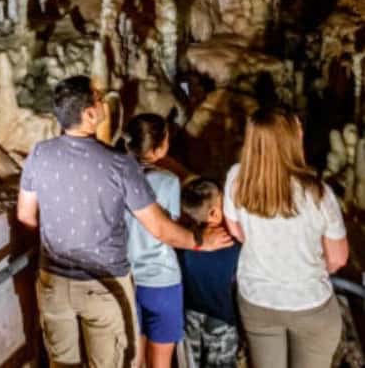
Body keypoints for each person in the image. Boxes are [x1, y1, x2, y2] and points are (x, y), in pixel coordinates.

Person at [17, 77, 232, 368]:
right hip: (103, 284)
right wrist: (199, 241)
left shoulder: (40, 154)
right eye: (98, 98)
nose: (103, 102)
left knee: (62, 363)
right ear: (89, 114)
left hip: (53, 281)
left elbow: (26, 216)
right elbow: (159, 228)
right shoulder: (118, 164)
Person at [223, 106, 349, 368]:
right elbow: (338, 258)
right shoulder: (318, 193)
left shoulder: (237, 179)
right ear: (290, 139)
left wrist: (268, 248)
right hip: (309, 302)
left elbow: (237, 232)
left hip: (258, 300)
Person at [123, 114, 183, 368]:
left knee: (132, 358)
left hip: (125, 279)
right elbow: (170, 228)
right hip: (161, 280)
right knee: (160, 361)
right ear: (159, 148)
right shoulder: (168, 181)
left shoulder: (114, 176)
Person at [177, 178, 242, 368]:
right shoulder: (232, 246)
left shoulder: (183, 243)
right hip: (222, 318)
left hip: (190, 316)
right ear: (214, 213)